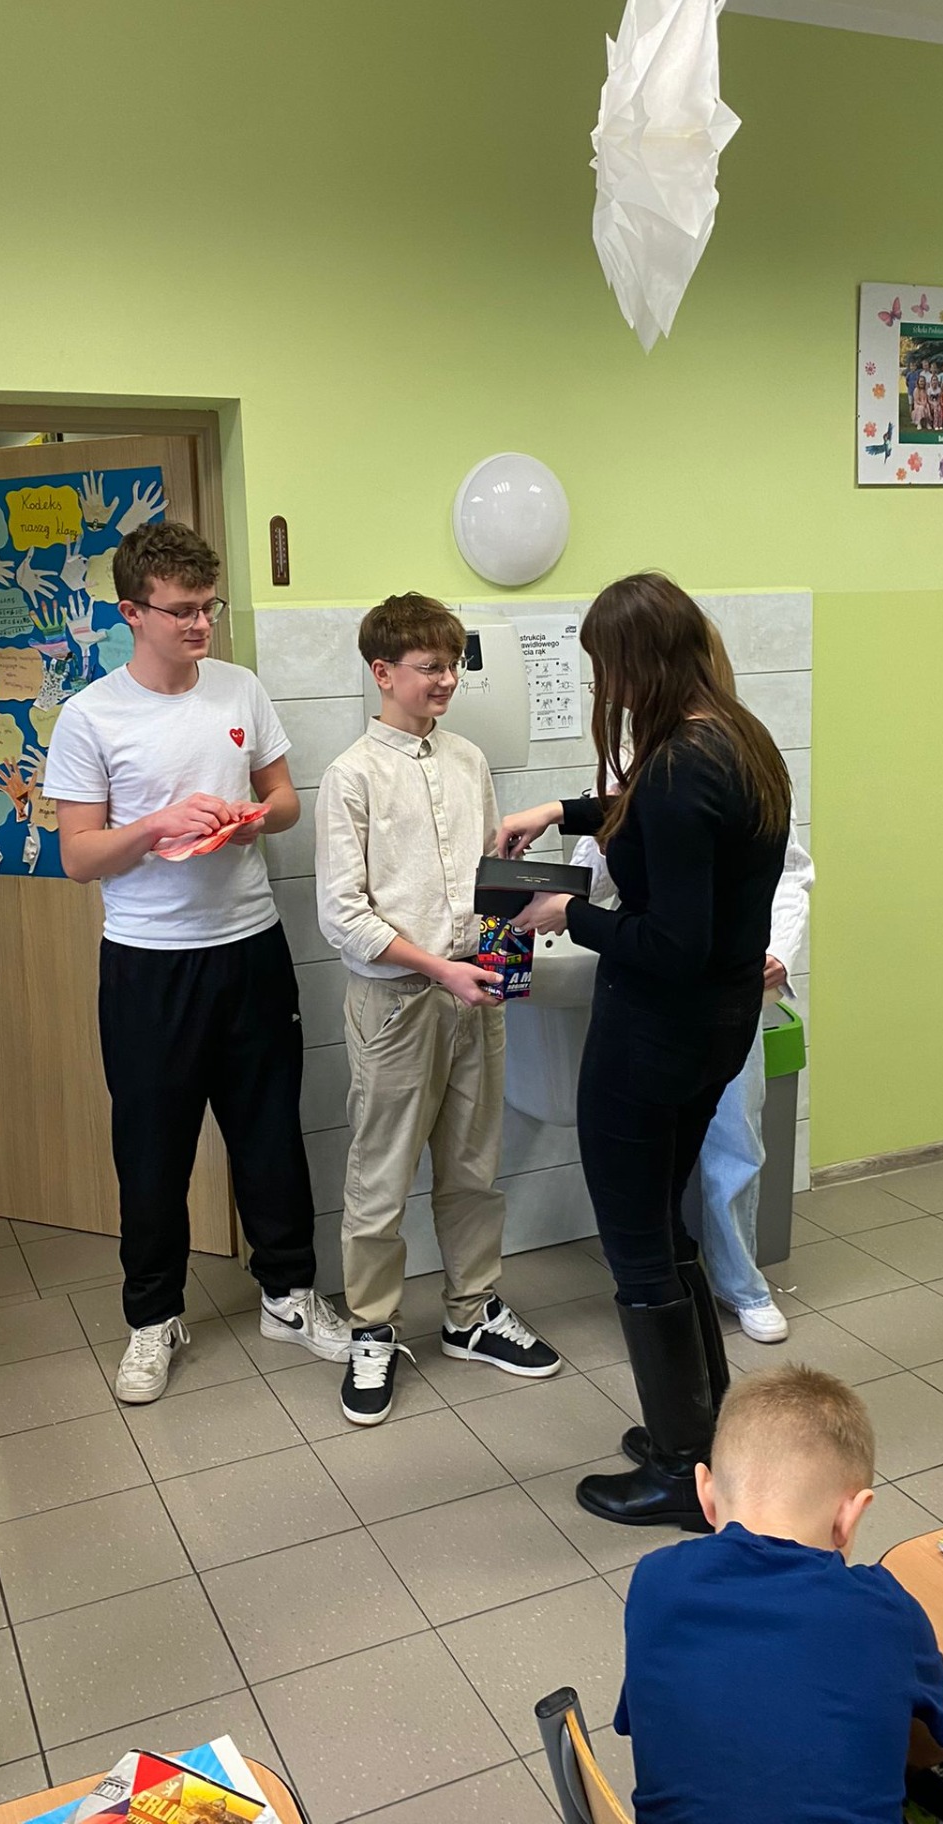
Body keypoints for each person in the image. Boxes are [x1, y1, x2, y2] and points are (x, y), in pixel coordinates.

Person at [501, 573, 788, 1528]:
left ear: (641, 662)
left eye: (608, 667)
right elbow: (664, 832)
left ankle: (678, 1472)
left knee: (637, 1245)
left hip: (655, 1036)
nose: (605, 686)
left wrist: (567, 912)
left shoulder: (675, 768)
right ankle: (706, 1437)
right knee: (666, 1227)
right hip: (716, 1029)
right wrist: (564, 812)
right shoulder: (735, 739)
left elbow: (672, 943)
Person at [46, 520, 347, 1404]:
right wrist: (154, 827)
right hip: (149, 964)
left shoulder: (240, 688)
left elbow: (285, 800)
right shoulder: (92, 715)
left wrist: (253, 820)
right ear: (132, 612)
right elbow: (78, 857)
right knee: (153, 1150)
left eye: (207, 606)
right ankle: (153, 1319)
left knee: (270, 1132)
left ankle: (289, 1294)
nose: (200, 624)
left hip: (250, 947)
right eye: (181, 610)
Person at [315, 592, 561, 1426]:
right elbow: (343, 916)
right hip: (397, 1002)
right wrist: (437, 969)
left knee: (472, 1166)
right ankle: (372, 1329)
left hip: (474, 995)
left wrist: (510, 936)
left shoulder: (467, 761)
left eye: (453, 665)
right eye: (429, 667)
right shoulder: (352, 776)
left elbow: (489, 883)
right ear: (383, 672)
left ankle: (471, 1311)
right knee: (380, 1176)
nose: (447, 680)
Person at [615, 1365, 943, 1824]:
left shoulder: (655, 1579)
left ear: (705, 1493)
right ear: (852, 1514)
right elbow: (940, 1747)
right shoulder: (888, 1610)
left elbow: (643, 1721)